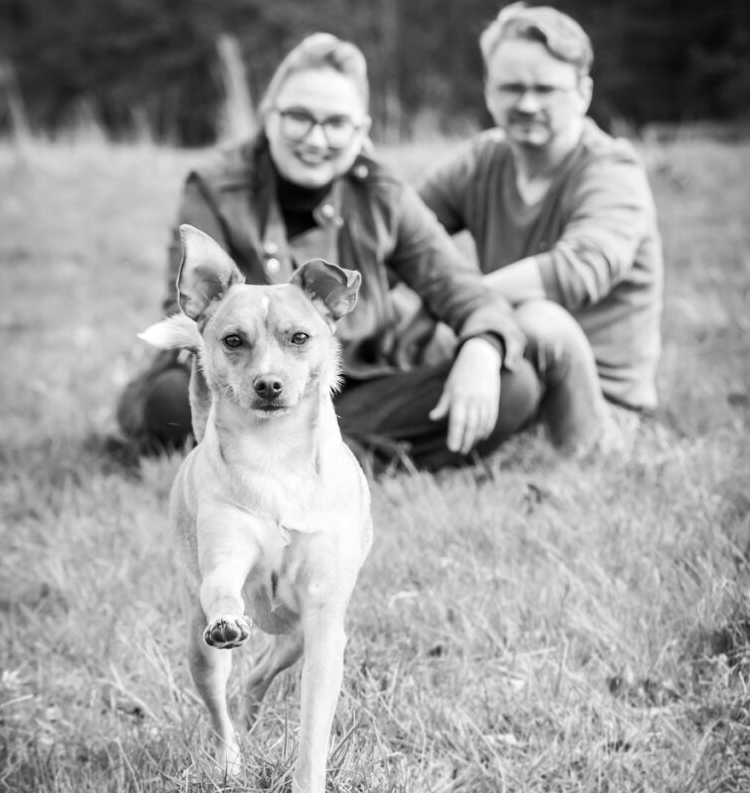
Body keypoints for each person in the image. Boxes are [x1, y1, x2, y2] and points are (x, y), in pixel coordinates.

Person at [117, 32, 546, 472]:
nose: (317, 139)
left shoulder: (383, 195)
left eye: (337, 123)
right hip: (245, 386)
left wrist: (483, 346)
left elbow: (465, 292)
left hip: (353, 388)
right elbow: (187, 316)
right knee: (168, 399)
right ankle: (356, 459)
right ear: (270, 117)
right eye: (300, 117)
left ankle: (307, 458)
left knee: (513, 384)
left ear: (361, 130)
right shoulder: (216, 186)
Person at [417, 3, 664, 449]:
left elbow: (578, 270)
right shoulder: (482, 160)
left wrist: (467, 309)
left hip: (599, 409)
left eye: (545, 88)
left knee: (540, 318)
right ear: (490, 91)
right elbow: (405, 233)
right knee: (409, 316)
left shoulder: (612, 170)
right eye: (512, 87)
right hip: (517, 382)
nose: (527, 104)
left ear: (582, 92)